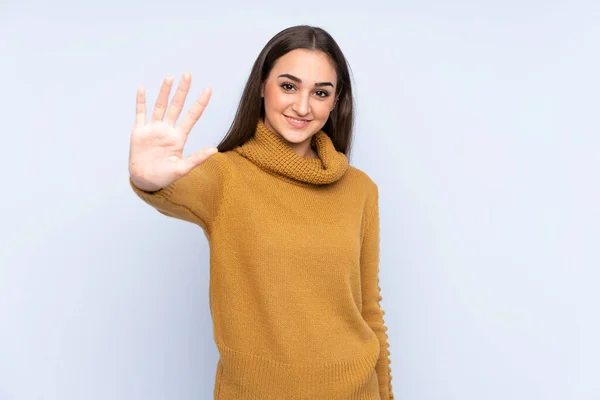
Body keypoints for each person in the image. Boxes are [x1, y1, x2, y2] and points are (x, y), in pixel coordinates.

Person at [128, 25, 394, 400]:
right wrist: (147, 178)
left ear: (335, 102)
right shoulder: (225, 176)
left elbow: (369, 310)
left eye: (320, 93)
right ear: (262, 87)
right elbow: (172, 191)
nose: (303, 106)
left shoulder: (360, 188)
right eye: (288, 86)